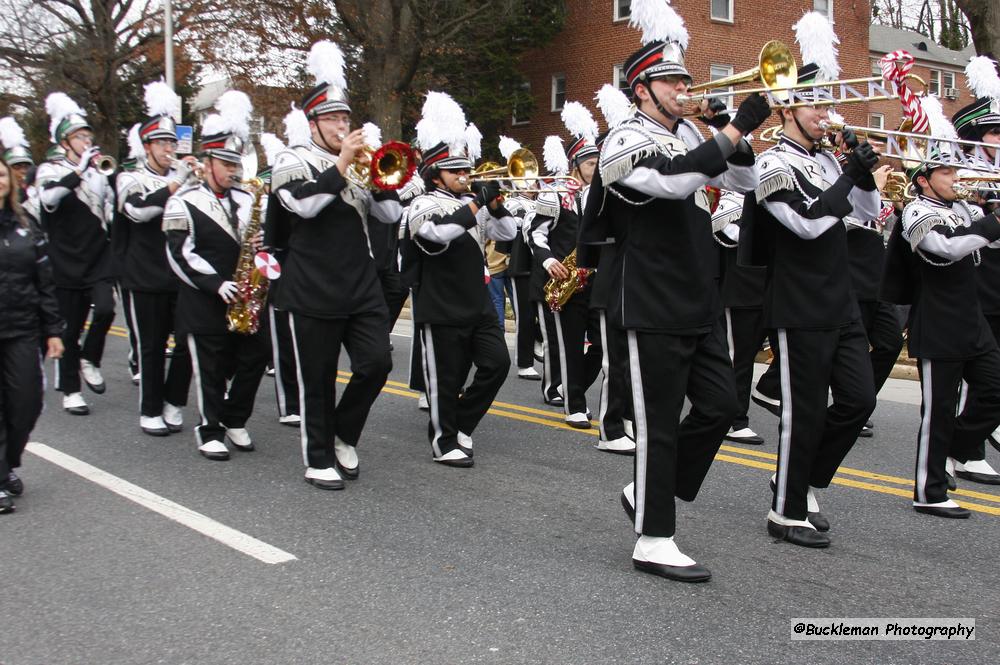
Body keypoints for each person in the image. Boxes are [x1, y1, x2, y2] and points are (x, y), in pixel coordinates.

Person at [580, 0, 768, 581]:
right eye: (672, 80)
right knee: (658, 421)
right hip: (651, 296)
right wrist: (732, 130)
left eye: (686, 79)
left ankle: (649, 489)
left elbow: (744, 180)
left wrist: (724, 133)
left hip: (697, 293)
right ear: (642, 89)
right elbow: (671, 180)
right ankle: (654, 537)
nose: (685, 89)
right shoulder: (622, 141)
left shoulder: (690, 131)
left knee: (718, 407)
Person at [747, 56, 881, 547]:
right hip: (799, 300)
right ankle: (785, 513)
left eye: (828, 103)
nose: (826, 113)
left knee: (858, 400)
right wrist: (847, 175)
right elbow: (805, 223)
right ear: (788, 108)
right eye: (817, 103)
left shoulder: (826, 160)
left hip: (839, 296)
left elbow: (867, 214)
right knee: (804, 410)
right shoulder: (772, 164)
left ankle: (797, 481)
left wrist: (862, 172)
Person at [270, 41, 398, 489]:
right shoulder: (291, 159)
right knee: (318, 376)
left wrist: (382, 182)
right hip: (312, 282)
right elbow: (302, 208)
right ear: (312, 123)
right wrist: (342, 164)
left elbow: (390, 217)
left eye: (346, 119)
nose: (342, 126)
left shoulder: (361, 165)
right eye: (332, 119)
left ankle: (344, 433)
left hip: (360, 281)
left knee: (377, 362)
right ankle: (318, 455)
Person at [883, 154, 1000, 517]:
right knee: (939, 410)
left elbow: (989, 245)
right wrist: (993, 221)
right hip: (937, 319)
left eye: (955, 171)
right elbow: (947, 248)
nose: (954, 178)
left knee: (996, 388)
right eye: (945, 172)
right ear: (924, 179)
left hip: (971, 318)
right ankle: (928, 491)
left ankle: (954, 447)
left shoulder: (967, 210)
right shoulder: (917, 212)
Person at [404, 91, 516, 467]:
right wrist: (475, 204)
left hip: (476, 301)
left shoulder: (472, 201)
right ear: (436, 173)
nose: (466, 177)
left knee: (498, 363)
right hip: (441, 303)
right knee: (446, 380)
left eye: (466, 170)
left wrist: (496, 204)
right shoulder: (422, 204)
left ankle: (462, 422)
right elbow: (437, 235)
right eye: (457, 172)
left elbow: (509, 233)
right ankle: (443, 440)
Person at [163, 90, 269, 462]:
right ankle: (209, 429)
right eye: (225, 162)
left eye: (235, 162)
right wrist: (214, 283)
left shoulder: (245, 198)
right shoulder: (183, 202)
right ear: (206, 162)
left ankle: (234, 418)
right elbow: (179, 255)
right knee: (209, 366)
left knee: (257, 355)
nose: (232, 169)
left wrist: (257, 244)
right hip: (203, 300)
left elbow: (254, 242)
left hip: (243, 297)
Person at [116, 82, 193, 436]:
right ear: (146, 146)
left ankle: (173, 401)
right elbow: (137, 212)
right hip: (144, 275)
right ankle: (150, 409)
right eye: (162, 143)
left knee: (189, 339)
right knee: (150, 347)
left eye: (172, 143)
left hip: (180, 273)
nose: (169, 149)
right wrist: (176, 185)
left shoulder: (182, 178)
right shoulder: (129, 177)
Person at [36, 93, 115, 415]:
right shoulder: (48, 169)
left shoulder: (97, 171)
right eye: (80, 137)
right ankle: (71, 389)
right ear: (65, 141)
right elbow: (49, 199)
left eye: (88, 136)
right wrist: (80, 170)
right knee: (69, 327)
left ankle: (90, 358)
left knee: (107, 309)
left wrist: (105, 182)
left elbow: (108, 207)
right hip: (66, 258)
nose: (86, 141)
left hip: (97, 255)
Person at [529, 103, 603, 428]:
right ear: (576, 164)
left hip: (597, 281)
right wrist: (548, 261)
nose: (596, 166)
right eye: (590, 162)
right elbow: (534, 232)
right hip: (566, 280)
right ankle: (574, 403)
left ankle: (573, 389)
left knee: (601, 348)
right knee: (570, 348)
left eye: (599, 161)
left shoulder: (601, 195)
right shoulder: (556, 195)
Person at [0, 157, 65, 514]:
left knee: (27, 402)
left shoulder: (27, 224)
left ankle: (7, 463)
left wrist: (53, 330)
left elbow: (45, 282)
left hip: (23, 327)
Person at [950, 91, 1000, 485]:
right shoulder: (964, 174)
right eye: (995, 132)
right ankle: (967, 448)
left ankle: (970, 436)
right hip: (979, 275)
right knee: (980, 369)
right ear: (976, 134)